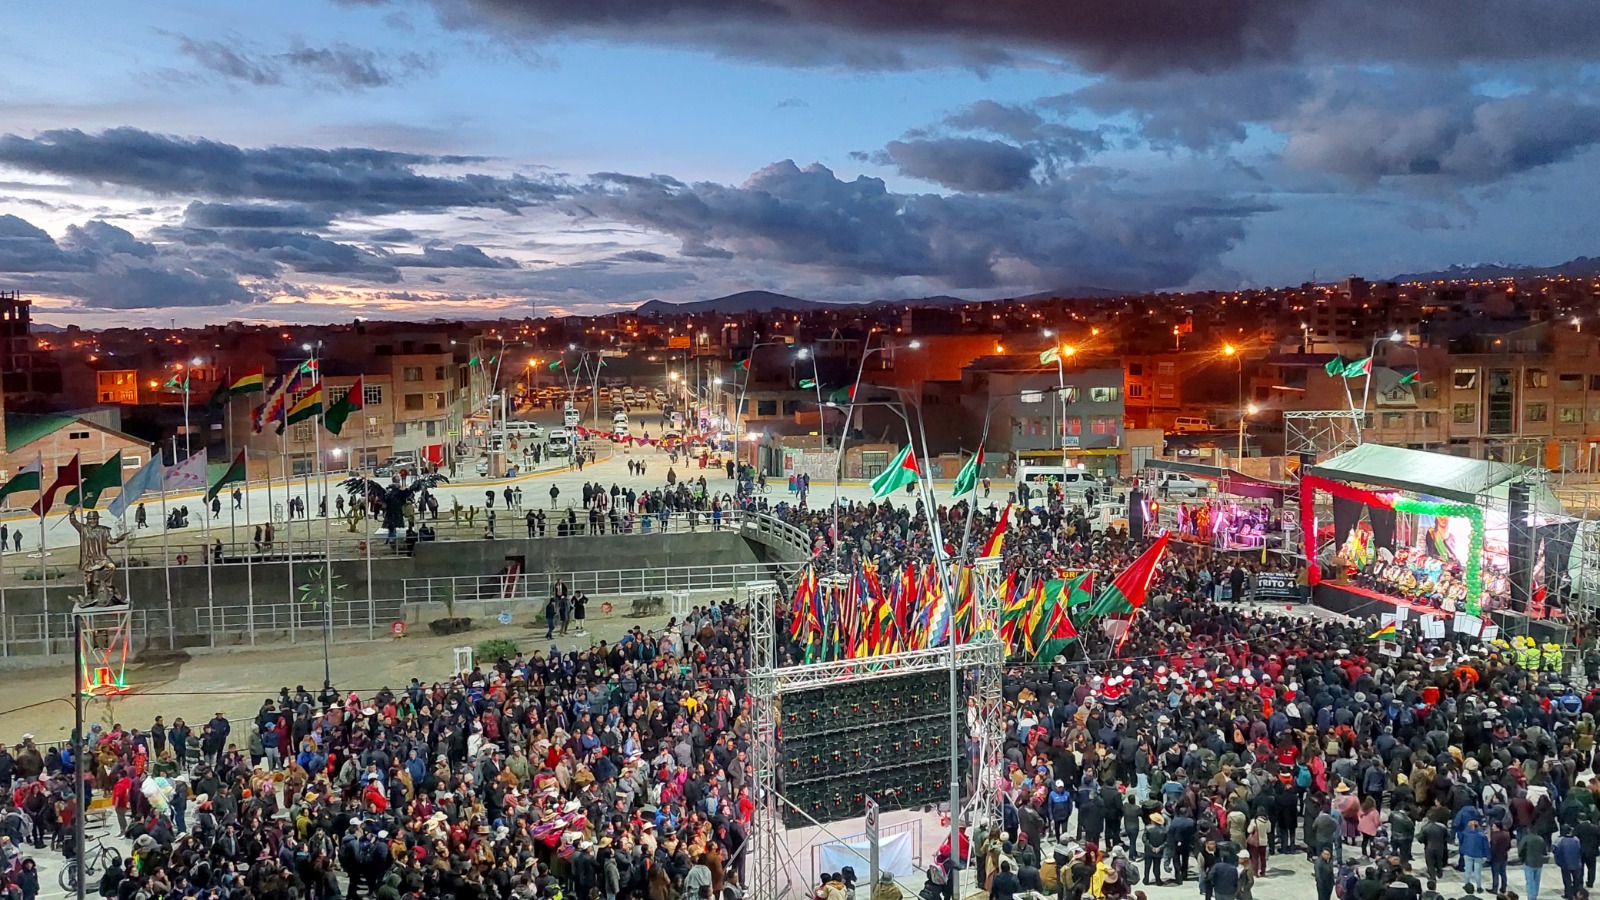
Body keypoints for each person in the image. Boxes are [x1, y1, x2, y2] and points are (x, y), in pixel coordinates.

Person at [1523, 828, 1550, 900]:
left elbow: (1521, 850)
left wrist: (1522, 859)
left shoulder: (1526, 838)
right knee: (1536, 880)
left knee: (1529, 881)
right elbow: (1545, 851)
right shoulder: (1541, 839)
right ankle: (1535, 895)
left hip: (1529, 862)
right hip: (1539, 863)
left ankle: (1530, 897)